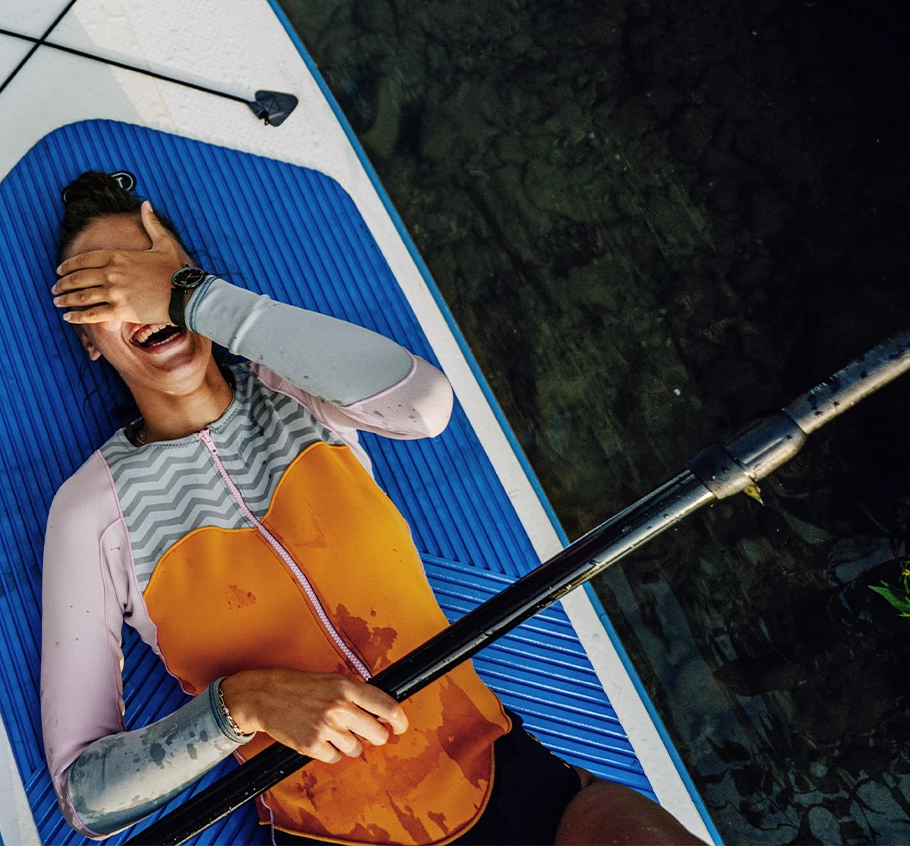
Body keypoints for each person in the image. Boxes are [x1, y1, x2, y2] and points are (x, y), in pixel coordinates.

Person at [40, 172, 698, 845]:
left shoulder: (296, 386)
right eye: (102, 290)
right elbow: (87, 796)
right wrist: (244, 702)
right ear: (89, 340)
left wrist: (189, 296)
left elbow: (424, 405)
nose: (137, 298)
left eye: (149, 270)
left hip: (502, 777)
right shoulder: (91, 510)